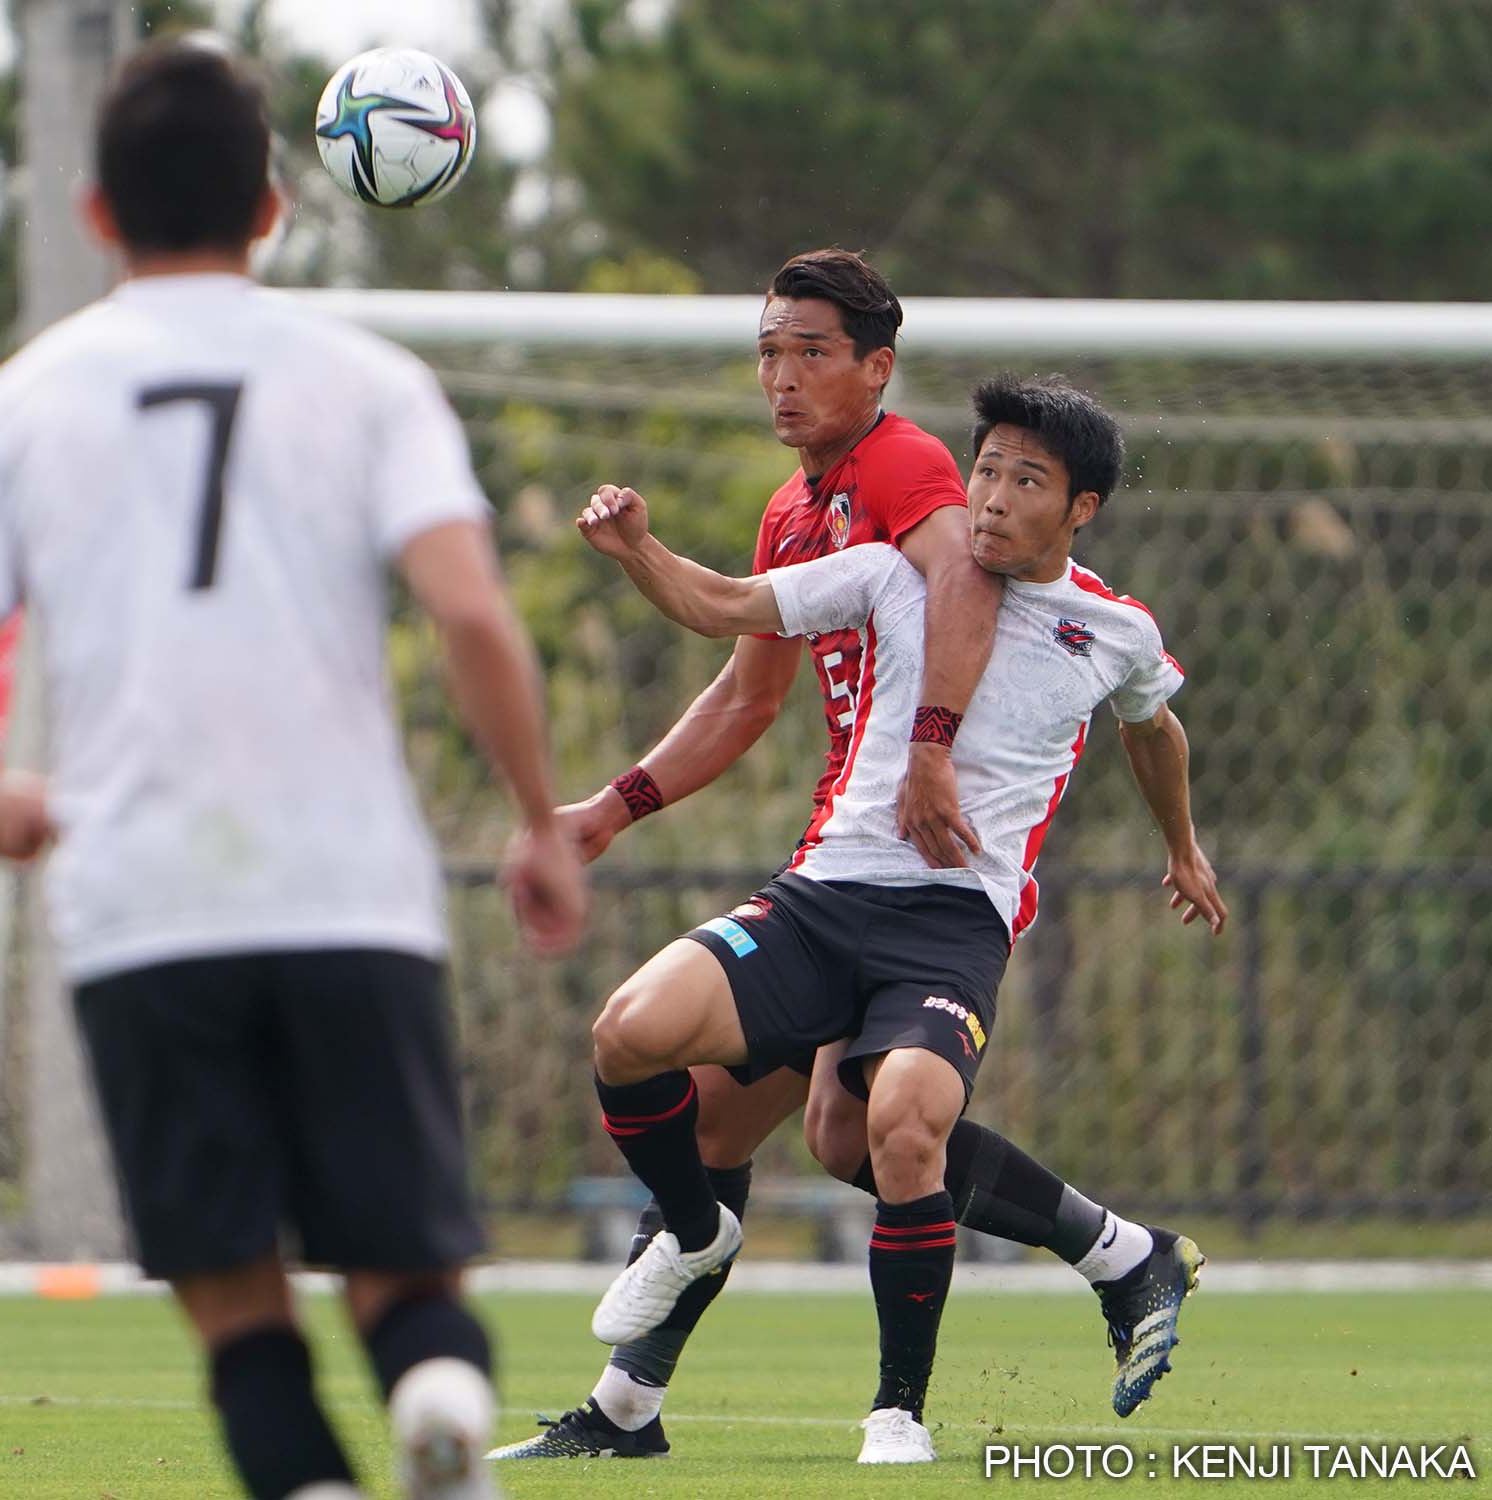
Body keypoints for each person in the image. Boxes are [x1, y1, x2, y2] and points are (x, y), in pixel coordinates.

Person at [0, 40, 586, 1500]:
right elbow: (469, 612)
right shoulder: (365, 383)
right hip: (347, 894)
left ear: (93, 215)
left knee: (236, 1301)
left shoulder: (24, 402)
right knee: (401, 1269)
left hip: (142, 902)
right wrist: (536, 822)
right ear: (272, 208)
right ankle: (440, 1397)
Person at [491, 254, 1194, 1462]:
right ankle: (630, 1406)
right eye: (769, 349)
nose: (782, 375)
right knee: (752, 1123)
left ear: (877, 369)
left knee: (870, 1128)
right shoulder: (812, 522)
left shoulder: (918, 478)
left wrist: (937, 752)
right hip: (835, 872)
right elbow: (740, 675)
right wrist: (615, 803)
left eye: (811, 350)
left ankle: (895, 1403)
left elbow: (1006, 616)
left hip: (940, 893)